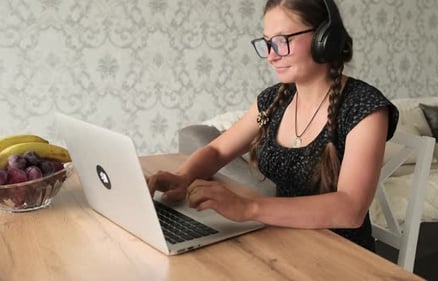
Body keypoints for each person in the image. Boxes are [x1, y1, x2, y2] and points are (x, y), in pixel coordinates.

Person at [147, 0, 398, 252]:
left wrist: (247, 208)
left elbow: (350, 209)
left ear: (325, 39)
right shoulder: (271, 106)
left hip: (343, 255)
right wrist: (182, 177)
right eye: (267, 43)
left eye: (281, 41)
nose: (271, 56)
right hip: (283, 241)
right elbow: (218, 151)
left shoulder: (364, 108)